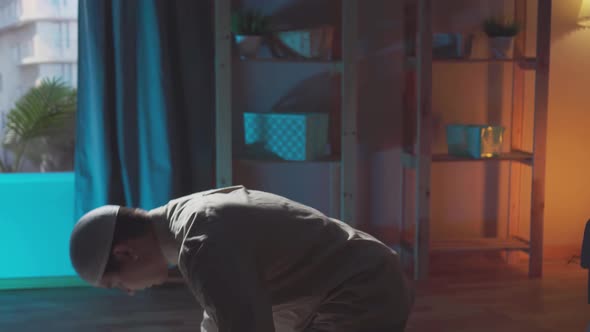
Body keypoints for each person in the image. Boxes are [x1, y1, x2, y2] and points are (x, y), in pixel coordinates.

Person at [69, 185, 414, 332]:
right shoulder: (187, 218)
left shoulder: (201, 243)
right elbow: (220, 313)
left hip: (360, 291)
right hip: (361, 277)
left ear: (125, 252)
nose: (129, 292)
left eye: (118, 284)